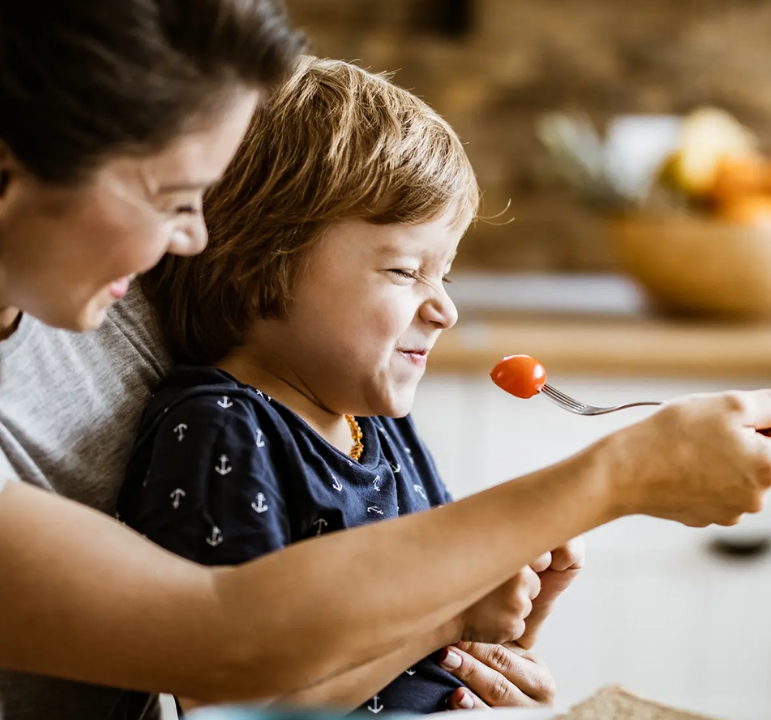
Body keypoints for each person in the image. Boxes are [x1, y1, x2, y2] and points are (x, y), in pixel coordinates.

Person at [0, 1, 771, 719]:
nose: (196, 241)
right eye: (171, 198)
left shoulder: (100, 279)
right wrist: (612, 474)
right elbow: (221, 637)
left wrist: (449, 611)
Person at [119, 56, 581, 715]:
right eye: (404, 271)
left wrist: (524, 598)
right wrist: (448, 617)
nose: (444, 308)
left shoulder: (381, 425)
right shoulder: (220, 432)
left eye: (443, 274)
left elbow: (449, 661)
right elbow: (238, 705)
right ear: (261, 267)